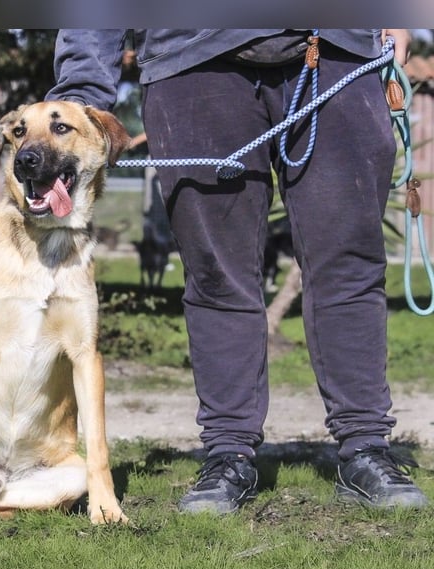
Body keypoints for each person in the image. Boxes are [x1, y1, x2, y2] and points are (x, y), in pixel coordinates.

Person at [46, 29, 429, 514]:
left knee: (350, 265)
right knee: (215, 273)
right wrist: (79, 95)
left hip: (337, 48)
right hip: (192, 61)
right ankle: (228, 452)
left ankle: (367, 447)